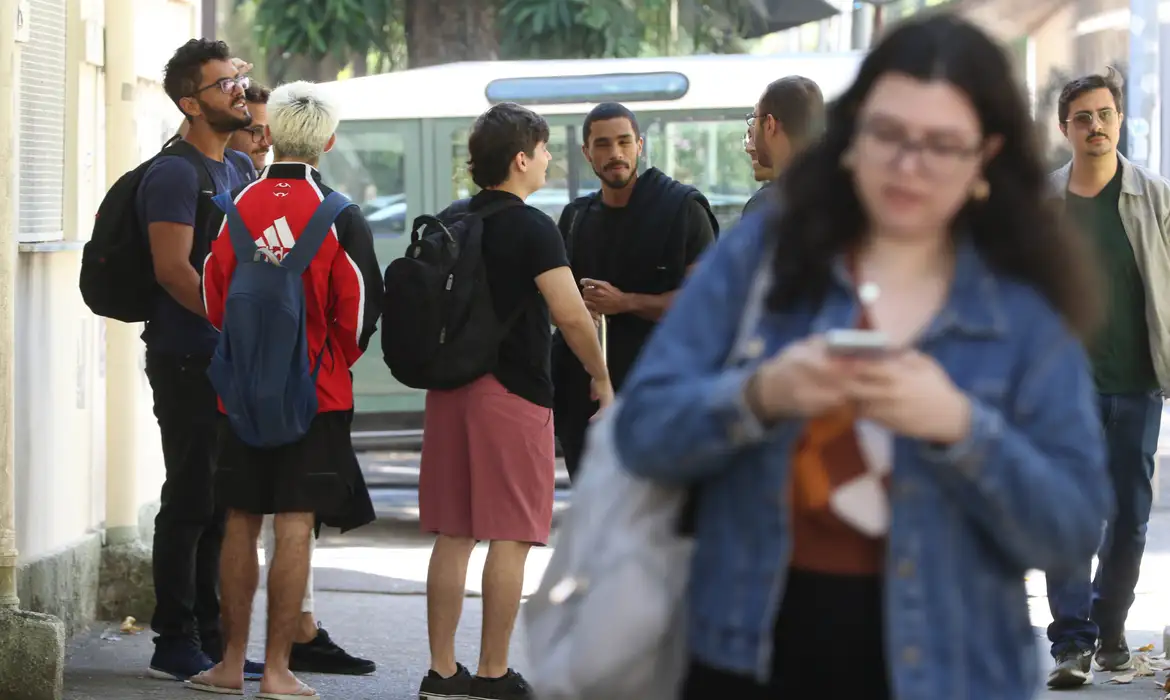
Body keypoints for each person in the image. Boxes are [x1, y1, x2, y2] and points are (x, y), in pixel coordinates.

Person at [610, 13, 1111, 699]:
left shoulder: (1019, 305)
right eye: (888, 134)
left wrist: (962, 427)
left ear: (985, 156)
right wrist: (760, 395)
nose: (908, 165)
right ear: (852, 136)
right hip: (745, 649)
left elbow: (1072, 526)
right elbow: (641, 431)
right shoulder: (764, 257)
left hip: (952, 666)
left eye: (941, 144)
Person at [188, 80, 382, 698]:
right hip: (315, 396)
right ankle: (276, 671)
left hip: (239, 393)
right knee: (294, 524)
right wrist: (327, 361)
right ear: (328, 141)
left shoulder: (237, 206)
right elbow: (357, 314)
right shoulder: (339, 213)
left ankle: (228, 665)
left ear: (268, 136)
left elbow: (213, 298)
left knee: (241, 519)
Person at [416, 103, 612, 700]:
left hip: (448, 391)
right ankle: (494, 674)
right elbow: (570, 314)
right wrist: (600, 375)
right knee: (510, 535)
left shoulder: (454, 218)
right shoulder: (531, 227)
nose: (550, 158)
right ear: (521, 158)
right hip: (512, 395)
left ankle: (442, 673)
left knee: (454, 533)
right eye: (546, 149)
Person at [139, 38, 262, 682]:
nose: (239, 92)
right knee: (189, 497)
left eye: (238, 81)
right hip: (187, 357)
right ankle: (173, 637)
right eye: (224, 86)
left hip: (232, 358)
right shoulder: (175, 173)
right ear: (190, 103)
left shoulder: (238, 171)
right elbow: (171, 270)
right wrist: (231, 319)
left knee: (223, 500)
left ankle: (215, 639)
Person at [1044, 67, 1170, 690]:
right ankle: (1071, 642)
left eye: (1105, 114)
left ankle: (1110, 628)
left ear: (1120, 119)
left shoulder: (1156, 197)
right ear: (1065, 128)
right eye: (1083, 117)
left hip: (1138, 383)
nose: (1096, 126)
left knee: (1129, 518)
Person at [552, 102, 718, 479]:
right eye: (603, 144)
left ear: (640, 146)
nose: (615, 154)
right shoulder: (576, 218)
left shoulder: (681, 208)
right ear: (587, 153)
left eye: (624, 142)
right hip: (586, 401)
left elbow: (701, 304)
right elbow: (555, 306)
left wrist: (624, 302)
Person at [742, 75, 824, 217]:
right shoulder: (842, 195)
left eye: (754, 118)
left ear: (770, 124)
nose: (749, 148)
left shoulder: (765, 206)